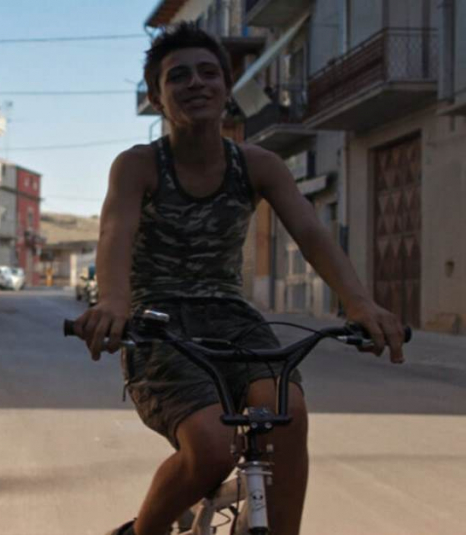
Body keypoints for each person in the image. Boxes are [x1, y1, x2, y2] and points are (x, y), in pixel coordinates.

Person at [72, 23, 406, 535]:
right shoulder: (138, 165)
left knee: (286, 414)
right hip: (158, 322)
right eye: (178, 76)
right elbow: (115, 233)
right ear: (158, 99)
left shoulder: (258, 165)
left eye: (209, 73)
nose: (196, 83)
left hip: (233, 318)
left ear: (227, 88)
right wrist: (114, 302)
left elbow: (312, 234)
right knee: (212, 446)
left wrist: (359, 303)